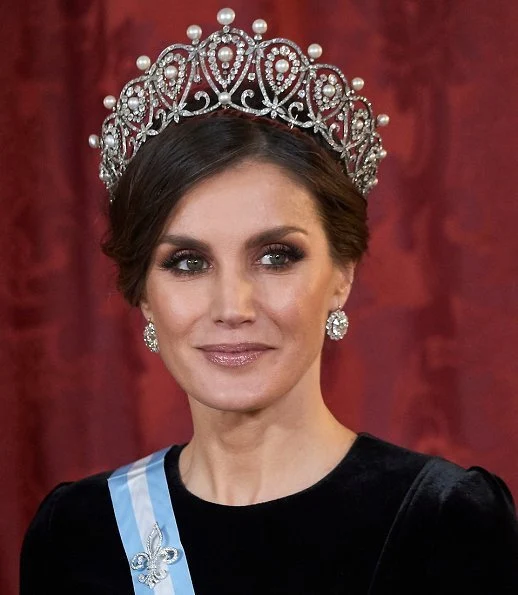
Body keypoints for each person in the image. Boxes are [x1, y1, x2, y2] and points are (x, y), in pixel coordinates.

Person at [20, 7, 518, 595]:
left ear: (342, 275)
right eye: (187, 262)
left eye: (276, 256)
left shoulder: (445, 521)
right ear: (145, 297)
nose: (233, 305)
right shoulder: (76, 535)